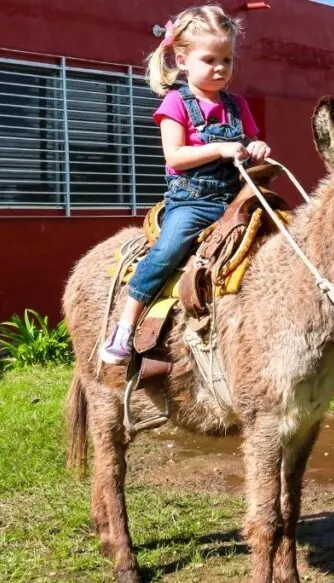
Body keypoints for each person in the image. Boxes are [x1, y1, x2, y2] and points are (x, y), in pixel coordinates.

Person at [99, 4, 271, 365]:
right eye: (210, 60)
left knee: (284, 235)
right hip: (193, 201)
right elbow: (175, 157)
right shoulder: (176, 103)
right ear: (182, 60)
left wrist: (257, 147)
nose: (221, 68)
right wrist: (219, 148)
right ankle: (125, 325)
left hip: (238, 197)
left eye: (227, 59)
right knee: (166, 251)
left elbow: (251, 145)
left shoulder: (237, 105)